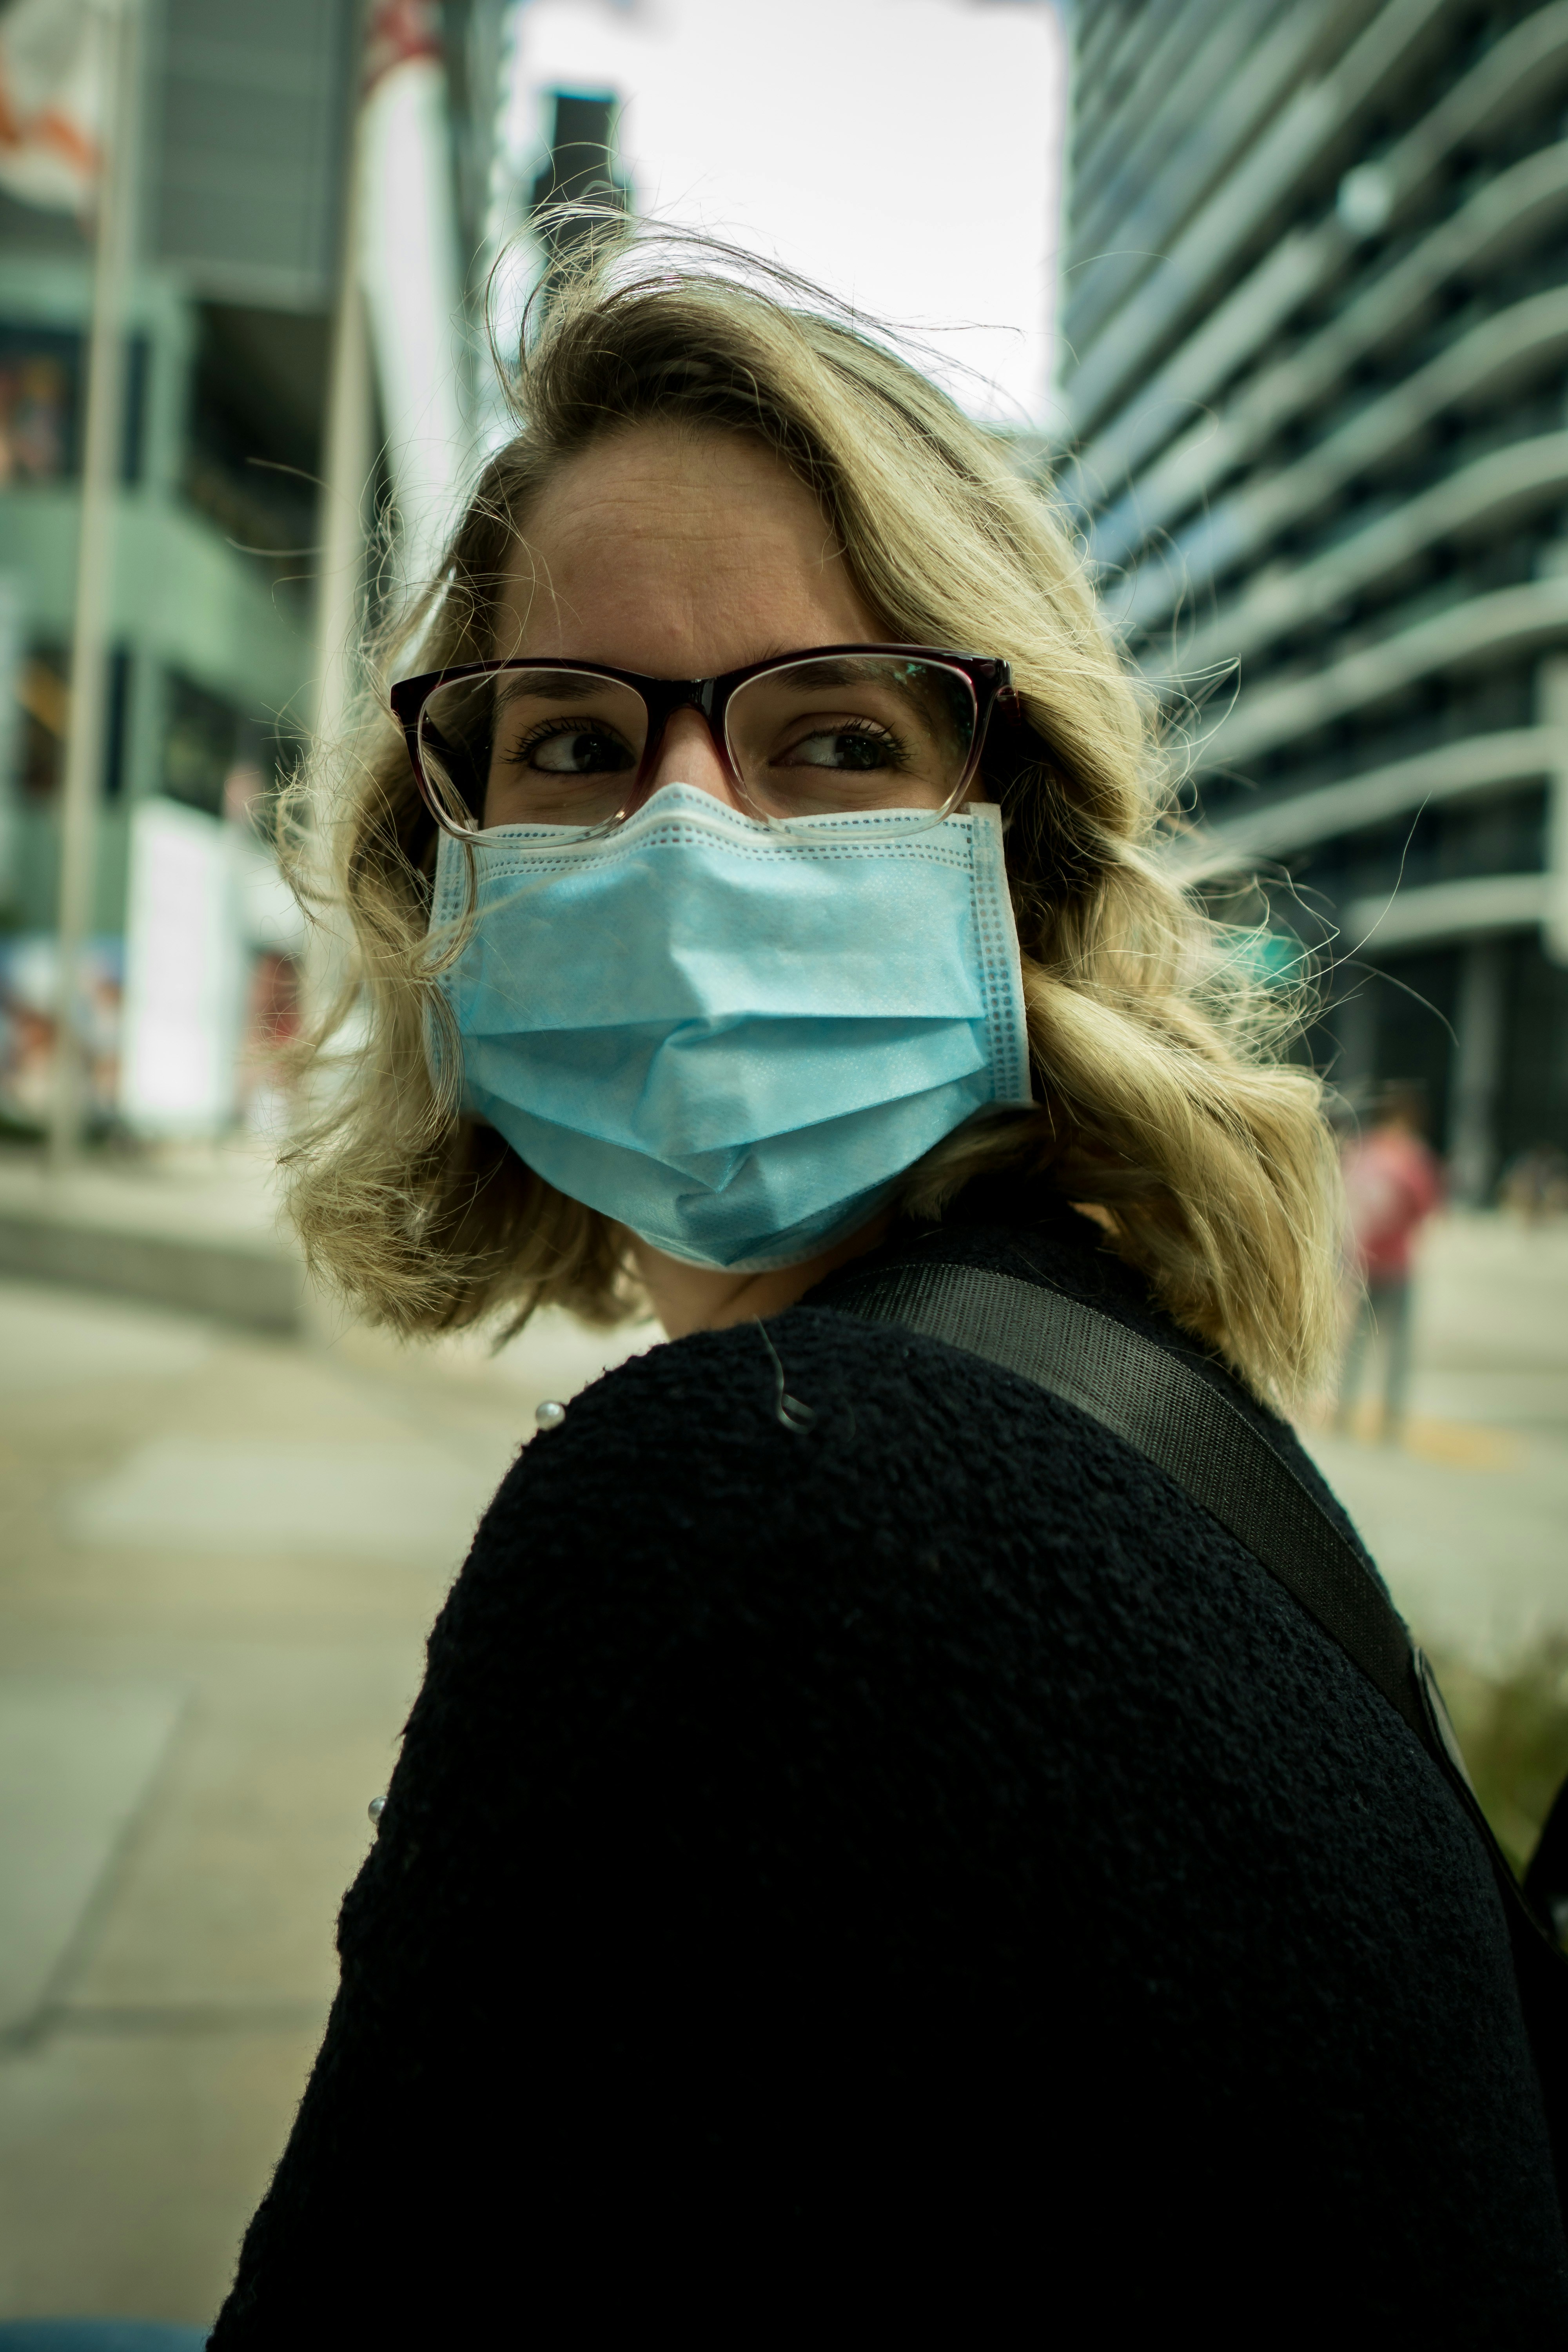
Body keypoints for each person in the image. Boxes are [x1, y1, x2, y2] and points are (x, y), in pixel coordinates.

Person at [207, 248, 1566, 2341]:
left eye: (832, 739)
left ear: (1011, 862)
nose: (684, 838)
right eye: (571, 740)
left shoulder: (757, 1503)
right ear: (446, 868)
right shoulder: (1123, 1392)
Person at [1338, 1083, 1444, 1441]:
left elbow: (1345, 1199)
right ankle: (1390, 1419)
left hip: (1364, 1262)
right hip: (1398, 1264)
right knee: (1397, 1347)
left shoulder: (1364, 1151)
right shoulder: (1413, 1158)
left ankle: (1344, 1408)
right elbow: (1426, 1208)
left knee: (1356, 1341)